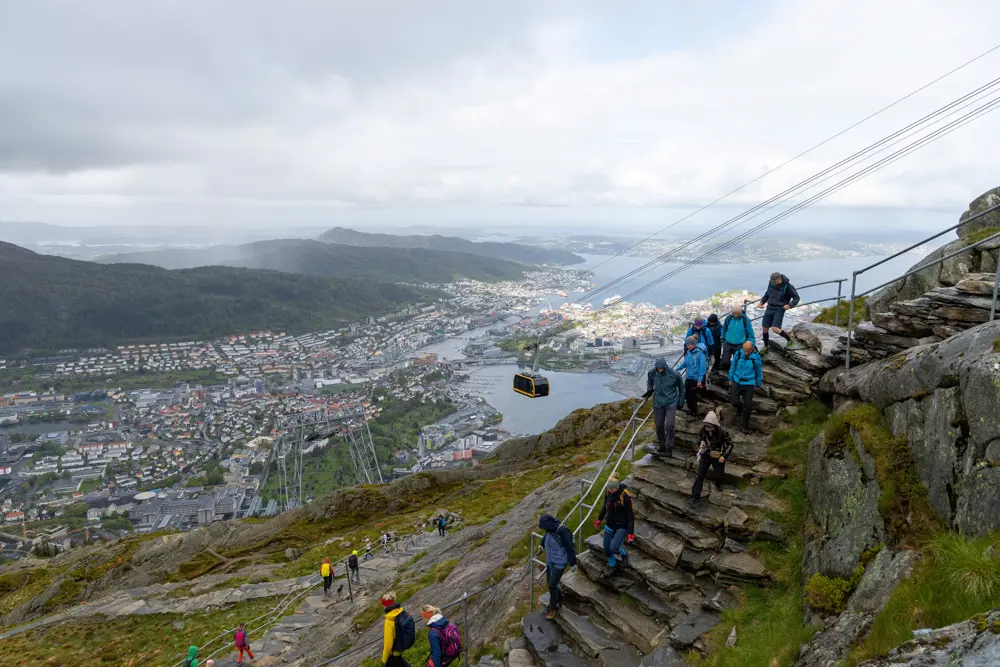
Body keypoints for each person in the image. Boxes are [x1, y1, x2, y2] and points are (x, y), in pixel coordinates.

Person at [593, 473, 634, 574]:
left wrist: (630, 533)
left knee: (613, 547)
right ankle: (614, 566)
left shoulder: (625, 495)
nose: (611, 491)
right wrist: (599, 519)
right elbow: (605, 507)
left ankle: (624, 553)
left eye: (613, 490)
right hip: (610, 522)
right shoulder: (608, 492)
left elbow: (630, 515)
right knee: (607, 548)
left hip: (622, 525)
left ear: (617, 487)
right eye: (609, 489)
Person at [689, 411, 734, 504]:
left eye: (710, 425)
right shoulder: (703, 429)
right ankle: (695, 496)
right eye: (706, 425)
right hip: (706, 454)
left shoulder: (723, 431)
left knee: (718, 474)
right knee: (700, 475)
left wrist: (724, 456)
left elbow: (729, 444)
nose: (708, 427)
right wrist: (700, 445)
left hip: (717, 455)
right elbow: (698, 439)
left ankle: (718, 483)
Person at [642, 356, 684, 456]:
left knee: (669, 425)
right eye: (658, 368)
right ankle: (662, 446)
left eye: (661, 368)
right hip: (658, 403)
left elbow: (682, 389)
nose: (660, 370)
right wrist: (649, 391)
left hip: (671, 402)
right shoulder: (652, 372)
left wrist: (680, 402)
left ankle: (669, 449)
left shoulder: (675, 374)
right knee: (659, 426)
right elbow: (650, 382)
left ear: (665, 366)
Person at [538, 514, 577, 620]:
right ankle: (558, 601)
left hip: (560, 562)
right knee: (551, 584)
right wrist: (541, 544)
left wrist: (572, 563)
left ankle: (553, 609)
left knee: (552, 585)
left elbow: (569, 548)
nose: (544, 529)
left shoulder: (563, 531)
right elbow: (546, 535)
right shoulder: (549, 529)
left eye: (544, 527)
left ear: (549, 524)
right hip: (550, 561)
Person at [729, 340, 763, 434]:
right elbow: (733, 366)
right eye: (745, 350)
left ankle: (745, 427)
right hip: (737, 381)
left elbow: (758, 371)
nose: (746, 352)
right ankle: (740, 409)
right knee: (734, 401)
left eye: (748, 350)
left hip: (749, 383)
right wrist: (730, 378)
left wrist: (758, 383)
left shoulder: (756, 358)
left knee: (747, 406)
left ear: (752, 348)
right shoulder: (738, 354)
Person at [758, 272, 800, 349]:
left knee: (775, 329)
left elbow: (796, 298)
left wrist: (790, 305)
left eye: (774, 281)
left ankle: (789, 340)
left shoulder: (787, 286)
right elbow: (767, 294)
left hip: (780, 308)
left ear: (779, 279)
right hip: (770, 307)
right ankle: (766, 346)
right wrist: (762, 302)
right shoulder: (771, 284)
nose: (773, 283)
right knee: (764, 328)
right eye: (772, 282)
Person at [381, 592, 416, 667]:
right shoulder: (401, 612)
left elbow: (388, 644)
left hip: (393, 654)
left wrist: (384, 659)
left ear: (384, 605)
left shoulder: (389, 620)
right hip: (400, 650)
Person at [677, 336, 708, 416]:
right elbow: (685, 363)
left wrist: (699, 380)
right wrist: (676, 369)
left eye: (689, 345)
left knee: (692, 396)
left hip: (695, 379)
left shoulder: (700, 354)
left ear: (694, 344)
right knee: (686, 395)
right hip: (688, 377)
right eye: (687, 345)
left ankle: (694, 411)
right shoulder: (688, 352)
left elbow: (702, 368)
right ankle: (690, 408)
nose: (688, 346)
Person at [720, 303, 756, 370]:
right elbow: (724, 328)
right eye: (734, 313)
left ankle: (733, 373)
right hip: (728, 343)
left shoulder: (745, 320)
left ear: (740, 312)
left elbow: (750, 334)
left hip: (739, 344)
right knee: (724, 361)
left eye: (737, 314)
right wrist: (722, 337)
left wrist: (751, 345)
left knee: (738, 362)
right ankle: (731, 369)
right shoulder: (729, 318)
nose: (736, 315)